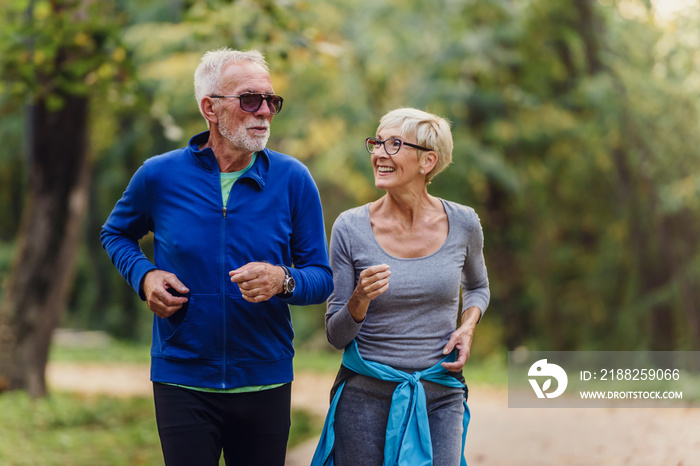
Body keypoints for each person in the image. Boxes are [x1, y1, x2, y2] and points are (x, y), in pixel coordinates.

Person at [100, 48, 333, 466]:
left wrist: (284, 279)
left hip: (264, 380)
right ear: (210, 107)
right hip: (182, 377)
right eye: (249, 100)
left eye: (271, 101)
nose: (264, 111)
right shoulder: (159, 175)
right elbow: (116, 233)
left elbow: (321, 275)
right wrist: (145, 276)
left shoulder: (293, 179)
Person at [312, 108, 490, 465]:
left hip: (440, 394)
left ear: (428, 161)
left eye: (394, 144)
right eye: (377, 143)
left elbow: (478, 288)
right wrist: (360, 298)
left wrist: (467, 327)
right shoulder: (350, 228)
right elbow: (335, 335)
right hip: (365, 397)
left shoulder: (463, 222)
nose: (379, 153)